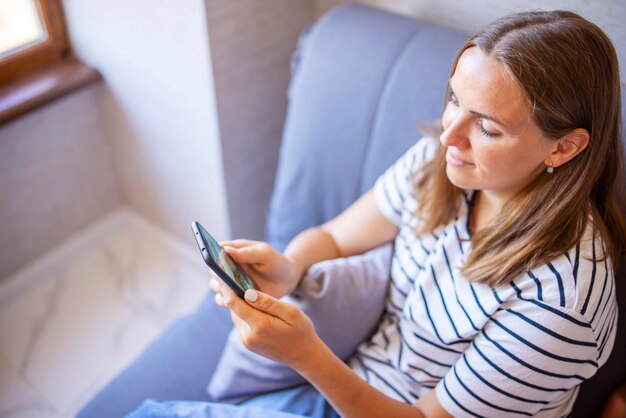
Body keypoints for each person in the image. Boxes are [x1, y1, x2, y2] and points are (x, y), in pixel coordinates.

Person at [130, 9, 625, 418]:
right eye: (455, 98)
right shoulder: (446, 163)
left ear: (563, 148)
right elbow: (337, 238)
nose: (449, 133)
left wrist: (306, 356)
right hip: (349, 382)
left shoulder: (561, 304)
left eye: (488, 128)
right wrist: (290, 268)